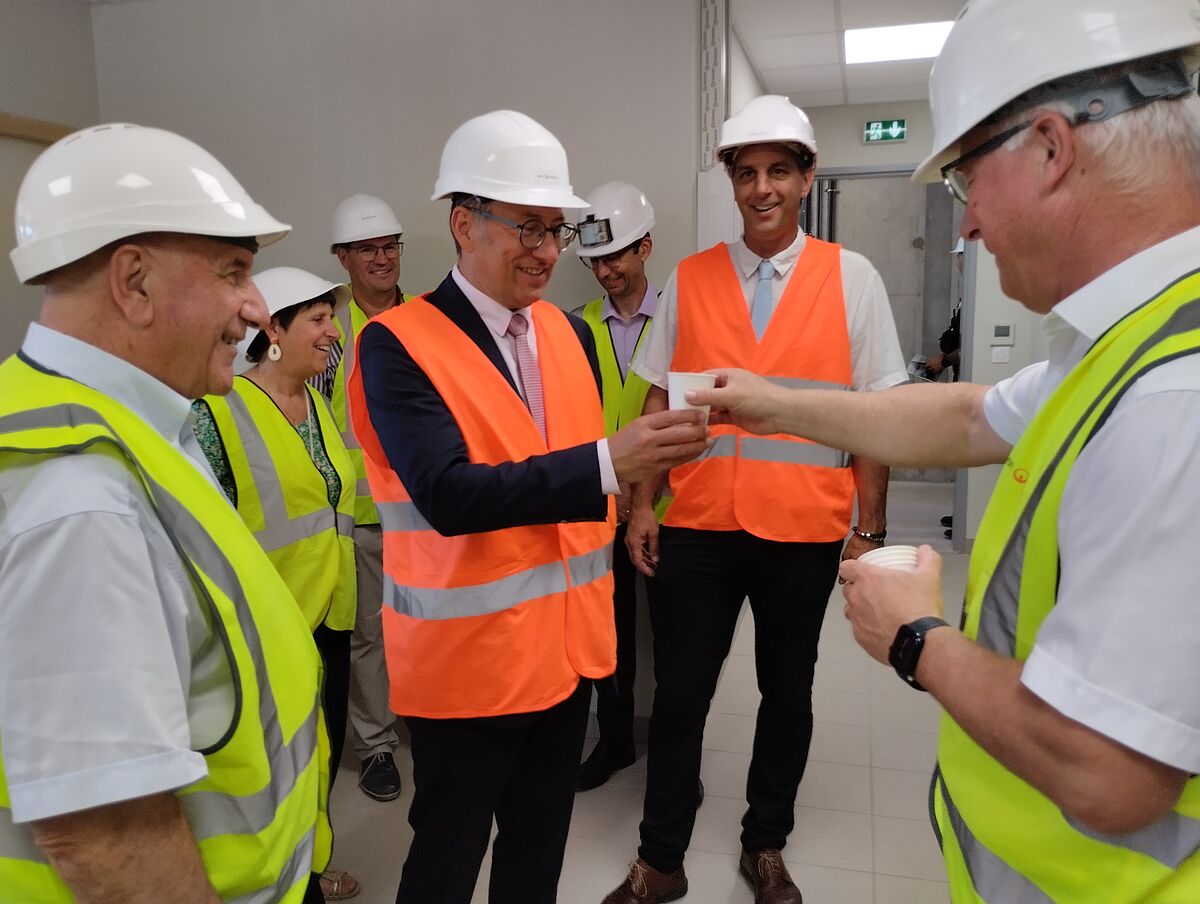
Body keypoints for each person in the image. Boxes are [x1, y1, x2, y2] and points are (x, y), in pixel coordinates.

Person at [690, 1, 1200, 899]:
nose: (966, 226)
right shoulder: (1129, 344)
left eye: (966, 182)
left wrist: (916, 637)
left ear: (1051, 148)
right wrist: (778, 405)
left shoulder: (1173, 399)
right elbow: (967, 419)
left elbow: (1110, 774)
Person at [347, 109, 711, 904]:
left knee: (536, 857)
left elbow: (563, 483)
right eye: (530, 227)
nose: (549, 251)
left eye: (558, 230)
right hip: (465, 670)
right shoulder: (397, 344)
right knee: (445, 863)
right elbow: (448, 494)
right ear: (463, 224)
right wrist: (609, 462)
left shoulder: (565, 335)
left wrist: (640, 472)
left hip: (564, 659)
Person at [0, 123, 328, 903]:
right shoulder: (79, 498)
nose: (256, 307)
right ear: (134, 282)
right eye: (233, 271)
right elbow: (105, 836)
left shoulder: (126, 428)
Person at [603, 95, 906, 904]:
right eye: (746, 173)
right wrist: (642, 506)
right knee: (680, 697)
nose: (762, 188)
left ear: (806, 178)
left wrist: (869, 530)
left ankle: (765, 845)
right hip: (699, 524)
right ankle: (659, 859)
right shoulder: (692, 278)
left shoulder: (853, 278)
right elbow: (657, 402)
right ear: (733, 183)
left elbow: (876, 412)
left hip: (803, 527)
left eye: (778, 171)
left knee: (787, 694)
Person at [193, 266, 361, 901]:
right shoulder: (217, 413)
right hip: (266, 629)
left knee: (322, 756)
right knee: (274, 771)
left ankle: (312, 867)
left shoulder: (316, 404)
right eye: (318, 319)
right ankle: (284, 883)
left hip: (329, 617)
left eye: (332, 317)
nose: (334, 331)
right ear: (274, 331)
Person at [571, 180, 662, 792]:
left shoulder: (681, 319)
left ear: (644, 248)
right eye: (595, 261)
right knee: (608, 635)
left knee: (679, 644)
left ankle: (676, 758)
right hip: (601, 509)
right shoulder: (575, 327)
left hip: (669, 507)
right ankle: (616, 741)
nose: (605, 271)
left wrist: (647, 493)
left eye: (615, 256)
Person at [324, 193, 408, 802]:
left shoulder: (429, 316)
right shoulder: (328, 329)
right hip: (362, 513)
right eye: (366, 249)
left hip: (428, 509)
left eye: (388, 246)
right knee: (369, 636)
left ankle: (436, 722)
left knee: (433, 623)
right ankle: (376, 744)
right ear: (343, 257)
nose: (381, 259)